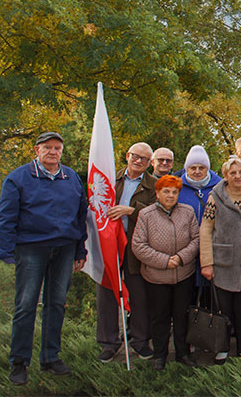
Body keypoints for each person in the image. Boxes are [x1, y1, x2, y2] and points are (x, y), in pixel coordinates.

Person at [0, 132, 88, 385]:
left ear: (61, 151)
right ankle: (19, 362)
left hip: (65, 248)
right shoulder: (19, 178)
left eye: (57, 148)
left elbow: (81, 217)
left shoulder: (71, 179)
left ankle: (50, 358)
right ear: (36, 150)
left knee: (56, 303)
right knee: (25, 305)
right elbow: (5, 217)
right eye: (47, 147)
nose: (52, 152)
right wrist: (6, 251)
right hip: (31, 248)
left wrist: (80, 250)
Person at [200, 156, 241, 364]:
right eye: (233, 173)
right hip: (223, 262)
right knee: (224, 310)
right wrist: (207, 263)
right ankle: (223, 348)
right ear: (226, 175)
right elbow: (206, 229)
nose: (238, 176)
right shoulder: (215, 197)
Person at [132, 175, 200, 370]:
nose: (170, 195)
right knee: (159, 317)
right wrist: (164, 261)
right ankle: (160, 355)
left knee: (181, 316)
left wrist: (179, 258)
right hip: (156, 277)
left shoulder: (187, 212)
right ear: (157, 193)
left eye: (174, 192)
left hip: (183, 273)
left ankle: (182, 353)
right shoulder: (146, 214)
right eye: (166, 191)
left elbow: (196, 239)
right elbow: (138, 245)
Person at [96, 142, 155, 363]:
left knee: (140, 296)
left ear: (150, 163)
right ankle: (108, 343)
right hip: (109, 245)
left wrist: (132, 211)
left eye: (145, 159)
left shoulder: (153, 184)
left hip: (136, 247)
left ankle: (139, 341)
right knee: (107, 296)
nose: (139, 161)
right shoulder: (109, 178)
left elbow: (157, 213)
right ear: (127, 155)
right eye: (136, 156)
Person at [178, 145, 221, 224]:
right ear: (187, 169)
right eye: (193, 168)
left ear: (207, 169)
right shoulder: (177, 187)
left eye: (201, 168)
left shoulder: (220, 187)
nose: (197, 172)